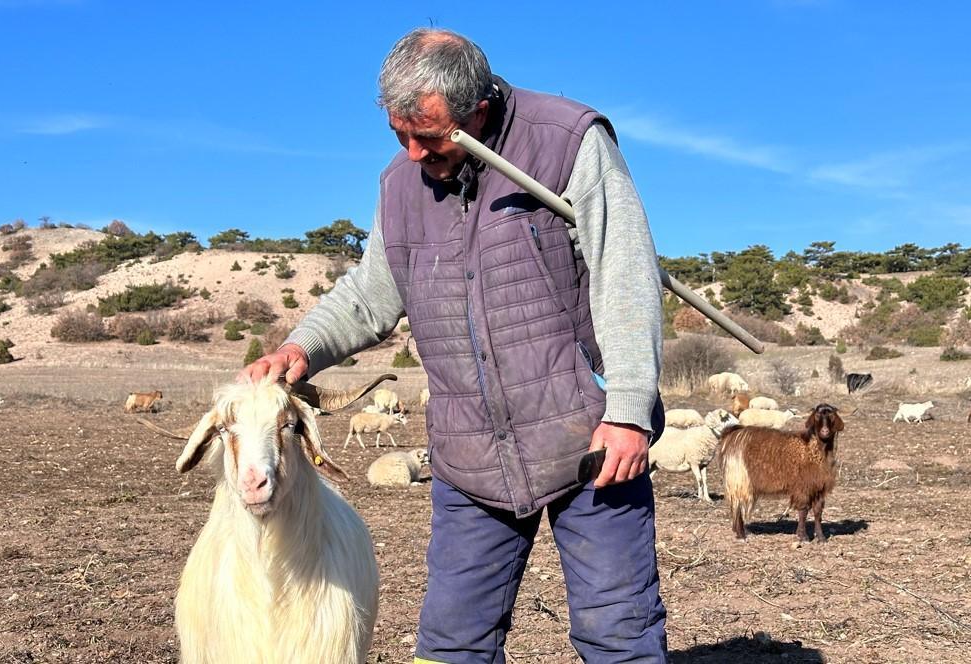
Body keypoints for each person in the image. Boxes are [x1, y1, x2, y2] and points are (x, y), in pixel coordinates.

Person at [244, 27, 667, 663]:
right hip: (470, 454)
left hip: (589, 445)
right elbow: (371, 294)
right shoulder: (400, 183)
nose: (414, 153)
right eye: (399, 135)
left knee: (618, 635)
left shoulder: (566, 142)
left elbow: (625, 274)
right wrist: (301, 348)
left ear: (480, 111)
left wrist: (629, 410)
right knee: (450, 648)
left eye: (430, 136)